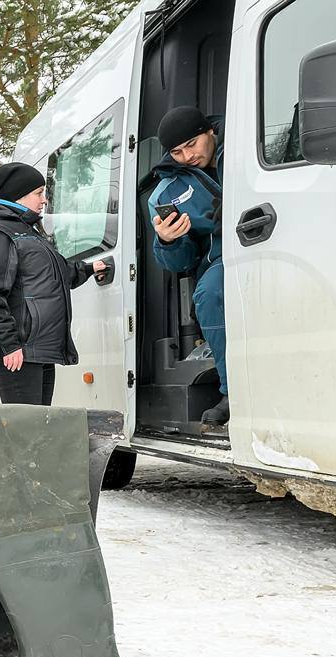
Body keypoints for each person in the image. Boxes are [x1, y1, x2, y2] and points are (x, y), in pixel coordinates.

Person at [0, 162, 107, 405]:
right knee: (25, 436)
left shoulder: (26, 231)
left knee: (39, 429)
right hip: (18, 352)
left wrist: (89, 268)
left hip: (37, 349)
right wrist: (8, 344)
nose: (44, 200)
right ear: (17, 195)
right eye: (38, 193)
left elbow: (52, 275)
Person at [145, 106, 228, 428]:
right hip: (221, 256)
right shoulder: (167, 193)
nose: (186, 156)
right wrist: (168, 241)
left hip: (271, 233)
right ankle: (229, 392)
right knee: (208, 294)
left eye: (191, 145)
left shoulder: (247, 142)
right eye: (177, 152)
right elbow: (181, 262)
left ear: (209, 131)